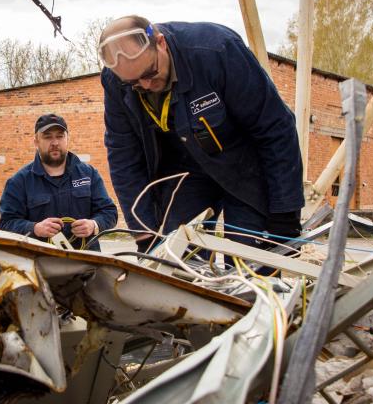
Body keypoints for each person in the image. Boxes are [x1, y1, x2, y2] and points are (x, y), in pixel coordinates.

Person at [98, 16, 303, 251]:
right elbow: (123, 156)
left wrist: (285, 210)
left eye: (150, 73)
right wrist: (143, 231)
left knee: (253, 258)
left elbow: (275, 126)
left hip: (245, 165)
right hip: (185, 171)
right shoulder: (115, 81)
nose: (145, 85)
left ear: (161, 42)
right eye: (134, 82)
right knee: (176, 257)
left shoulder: (216, 50)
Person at [0, 113, 119, 250]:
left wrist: (94, 224)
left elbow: (110, 212)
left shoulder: (89, 174)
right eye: (48, 137)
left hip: (87, 262)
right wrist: (35, 228)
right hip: (40, 262)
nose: (55, 143)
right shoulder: (19, 182)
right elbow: (6, 224)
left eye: (60, 136)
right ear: (36, 142)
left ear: (67, 139)